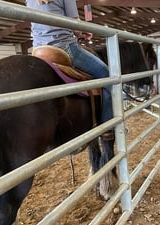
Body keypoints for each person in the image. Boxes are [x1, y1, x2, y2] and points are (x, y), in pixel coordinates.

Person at [26, 0, 113, 139]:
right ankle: (108, 125)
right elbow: (74, 23)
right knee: (107, 74)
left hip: (38, 49)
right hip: (64, 46)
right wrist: (82, 32)